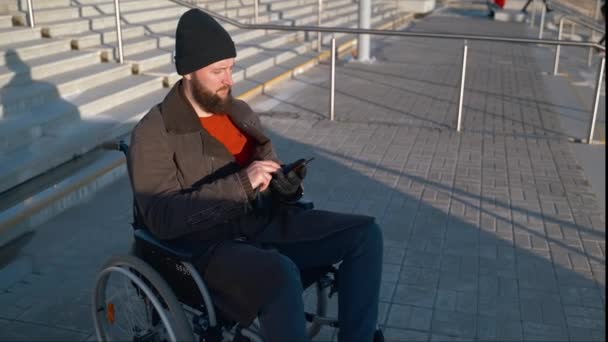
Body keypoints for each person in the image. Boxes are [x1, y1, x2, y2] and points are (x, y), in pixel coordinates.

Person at [127, 8, 383, 342]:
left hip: (266, 224)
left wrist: (285, 188)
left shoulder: (237, 111)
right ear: (188, 71)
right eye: (218, 71)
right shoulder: (154, 131)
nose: (229, 80)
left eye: (231, 68)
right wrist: (243, 184)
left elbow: (266, 170)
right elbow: (161, 216)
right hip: (210, 247)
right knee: (280, 273)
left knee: (365, 234)